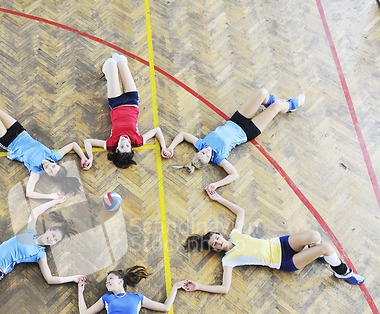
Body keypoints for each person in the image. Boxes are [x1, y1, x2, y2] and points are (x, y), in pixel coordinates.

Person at [180, 190, 365, 295]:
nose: (218, 242)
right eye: (215, 244)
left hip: (281, 244)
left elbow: (241, 212)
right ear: (215, 249)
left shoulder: (235, 235)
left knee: (315, 235)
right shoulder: (228, 260)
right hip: (283, 262)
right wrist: (198, 286)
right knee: (326, 247)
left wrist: (219, 198)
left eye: (217, 238)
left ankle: (317, 255)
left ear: (220, 235)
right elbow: (224, 288)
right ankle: (342, 272)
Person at [162, 88, 305, 192]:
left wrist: (171, 147)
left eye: (202, 152)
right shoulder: (219, 158)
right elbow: (234, 174)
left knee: (262, 93)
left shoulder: (201, 144)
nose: (206, 151)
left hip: (237, 120)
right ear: (209, 160)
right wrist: (217, 185)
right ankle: (292, 105)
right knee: (278, 106)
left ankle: (270, 104)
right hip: (249, 131)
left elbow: (183, 135)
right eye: (206, 155)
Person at [0, 98, 92, 196]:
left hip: (7, 140)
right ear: (56, 164)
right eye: (54, 167)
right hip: (19, 130)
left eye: (50, 172)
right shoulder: (54, 156)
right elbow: (73, 145)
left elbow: (29, 193)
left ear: (48, 175)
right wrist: (83, 157)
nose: (49, 168)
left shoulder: (35, 171)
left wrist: (50, 197)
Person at [83, 53, 167, 169]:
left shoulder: (111, 143)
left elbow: (88, 142)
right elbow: (157, 131)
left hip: (115, 102)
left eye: (122, 146)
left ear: (117, 149)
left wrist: (90, 157)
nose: (125, 141)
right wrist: (164, 147)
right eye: (127, 145)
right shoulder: (138, 140)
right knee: (121, 60)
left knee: (111, 63)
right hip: (132, 100)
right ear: (131, 146)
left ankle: (108, 73)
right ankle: (113, 69)